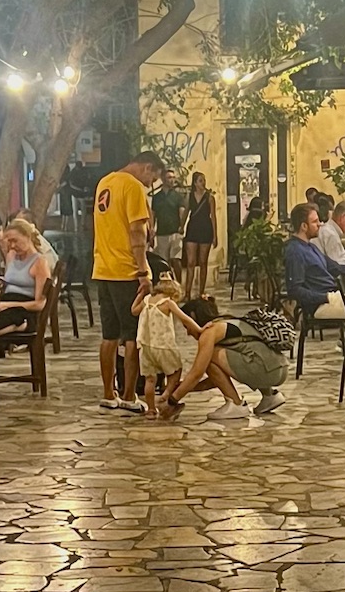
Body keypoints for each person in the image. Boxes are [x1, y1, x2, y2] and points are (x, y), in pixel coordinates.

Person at [93, 151, 160, 411]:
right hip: (126, 271)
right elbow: (136, 232)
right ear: (147, 167)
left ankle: (108, 394)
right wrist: (143, 271)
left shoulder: (105, 182)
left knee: (109, 335)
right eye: (152, 178)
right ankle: (130, 395)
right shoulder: (133, 187)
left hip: (103, 268)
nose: (149, 185)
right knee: (132, 336)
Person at [168, 296, 289, 419]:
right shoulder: (228, 321)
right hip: (279, 368)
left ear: (193, 317)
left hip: (264, 368)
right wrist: (182, 387)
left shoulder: (210, 331)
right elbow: (217, 378)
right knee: (245, 355)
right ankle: (270, 394)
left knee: (209, 357)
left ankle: (236, 404)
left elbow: (197, 373)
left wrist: (172, 400)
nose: (188, 333)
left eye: (187, 326)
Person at [284, 201, 345, 315]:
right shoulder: (295, 251)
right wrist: (326, 297)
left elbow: (336, 267)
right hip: (320, 305)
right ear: (304, 226)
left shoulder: (311, 246)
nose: (320, 224)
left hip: (333, 297)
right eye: (315, 221)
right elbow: (295, 290)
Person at [136, 274, 191, 418]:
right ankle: (166, 395)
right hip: (164, 345)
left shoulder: (147, 300)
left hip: (145, 346)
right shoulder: (168, 303)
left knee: (150, 379)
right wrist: (199, 329)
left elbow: (133, 310)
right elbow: (184, 318)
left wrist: (140, 295)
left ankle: (151, 409)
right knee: (176, 370)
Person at [0, 217, 54, 340]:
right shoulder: (11, 255)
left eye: (15, 241)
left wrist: (9, 305)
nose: (12, 246)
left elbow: (40, 304)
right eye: (9, 242)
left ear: (27, 236)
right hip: (5, 302)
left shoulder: (39, 263)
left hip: (25, 310)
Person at [182, 171, 217, 298]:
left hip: (205, 229)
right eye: (201, 181)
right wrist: (181, 226)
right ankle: (187, 292)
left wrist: (215, 235)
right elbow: (186, 212)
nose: (203, 183)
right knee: (191, 262)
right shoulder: (189, 196)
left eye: (204, 180)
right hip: (193, 228)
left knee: (203, 262)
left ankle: (201, 291)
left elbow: (213, 216)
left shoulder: (209, 197)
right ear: (195, 183)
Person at [151, 169, 188, 271]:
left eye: (173, 177)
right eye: (169, 177)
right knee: (163, 262)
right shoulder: (157, 197)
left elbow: (182, 212)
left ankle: (179, 281)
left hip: (175, 231)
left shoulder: (178, 196)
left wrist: (182, 226)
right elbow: (153, 214)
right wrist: (152, 229)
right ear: (163, 179)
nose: (172, 180)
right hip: (162, 232)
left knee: (176, 259)